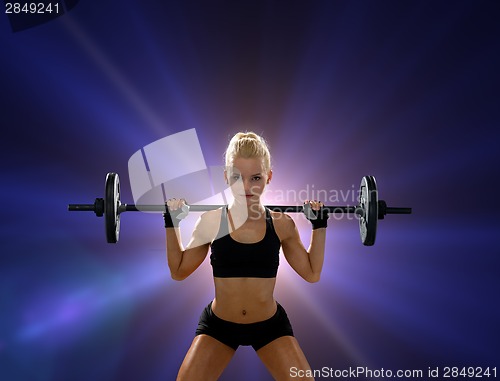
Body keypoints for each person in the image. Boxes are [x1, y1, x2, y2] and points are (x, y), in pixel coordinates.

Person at [164, 132, 328, 381]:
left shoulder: (282, 225)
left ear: (269, 177)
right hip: (220, 325)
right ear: (225, 177)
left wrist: (319, 226)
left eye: (256, 178)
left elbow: (312, 273)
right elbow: (178, 271)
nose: (246, 187)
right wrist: (172, 223)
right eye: (237, 178)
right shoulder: (211, 222)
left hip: (269, 325)